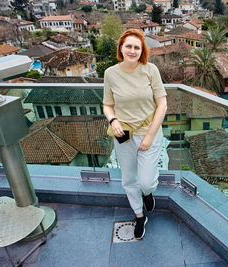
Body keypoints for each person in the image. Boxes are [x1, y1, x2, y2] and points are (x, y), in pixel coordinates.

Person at [102, 29, 167, 240]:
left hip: (149, 132)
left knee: (146, 181)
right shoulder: (110, 73)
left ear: (142, 51)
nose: (132, 50)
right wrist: (113, 120)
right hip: (124, 136)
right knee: (129, 179)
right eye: (128, 46)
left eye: (137, 47)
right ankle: (139, 216)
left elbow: (162, 104)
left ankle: (148, 193)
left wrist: (149, 136)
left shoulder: (150, 70)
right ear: (121, 48)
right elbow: (107, 105)